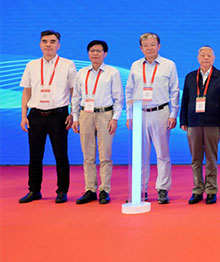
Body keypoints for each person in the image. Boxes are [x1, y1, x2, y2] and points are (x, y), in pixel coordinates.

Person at [19, 30, 76, 203]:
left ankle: (62, 191)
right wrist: (24, 116)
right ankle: (34, 190)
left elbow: (74, 91)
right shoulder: (31, 65)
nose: (48, 45)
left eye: (52, 41)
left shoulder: (68, 64)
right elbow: (26, 92)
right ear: (40, 45)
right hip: (36, 115)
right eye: (45, 41)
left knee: (61, 155)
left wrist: (73, 113)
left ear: (59, 45)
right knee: (35, 155)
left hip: (59, 115)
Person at [125, 32, 179, 204]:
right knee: (141, 155)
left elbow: (174, 91)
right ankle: (141, 190)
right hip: (139, 113)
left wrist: (173, 114)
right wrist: (129, 115)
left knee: (162, 154)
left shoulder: (169, 65)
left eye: (152, 44)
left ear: (159, 46)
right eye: (145, 45)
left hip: (160, 112)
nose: (149, 48)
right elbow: (129, 91)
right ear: (141, 48)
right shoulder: (135, 65)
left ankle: (162, 189)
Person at [71, 40, 124, 205]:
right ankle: (90, 189)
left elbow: (118, 98)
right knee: (88, 155)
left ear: (105, 54)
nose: (95, 53)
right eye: (92, 50)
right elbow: (76, 97)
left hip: (105, 114)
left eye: (99, 51)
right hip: (85, 114)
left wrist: (115, 118)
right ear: (88, 53)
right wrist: (75, 117)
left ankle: (104, 190)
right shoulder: (81, 73)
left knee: (105, 155)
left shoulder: (112, 72)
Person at [180, 46, 220, 205]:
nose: (206, 58)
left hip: (213, 122)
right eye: (203, 55)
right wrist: (183, 121)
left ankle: (211, 190)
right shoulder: (190, 77)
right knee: (195, 159)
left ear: (214, 58)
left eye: (209, 55)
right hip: (193, 122)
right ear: (198, 58)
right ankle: (197, 190)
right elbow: (185, 100)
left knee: (211, 159)